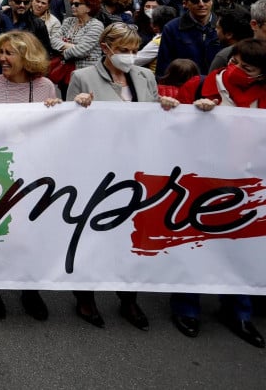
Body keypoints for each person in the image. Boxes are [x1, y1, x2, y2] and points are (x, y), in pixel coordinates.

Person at [159, 38, 266, 349]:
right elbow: (168, 124)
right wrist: (176, 108)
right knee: (194, 243)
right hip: (199, 181)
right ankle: (186, 307)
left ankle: (239, 311)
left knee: (241, 249)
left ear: (264, 73)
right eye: (236, 62)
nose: (238, 71)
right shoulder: (198, 84)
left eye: (248, 69)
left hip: (246, 185)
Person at [67, 23, 171, 330]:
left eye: (133, 50)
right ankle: (85, 298)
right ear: (105, 47)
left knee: (132, 235)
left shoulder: (145, 76)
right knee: (93, 233)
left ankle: (129, 299)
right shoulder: (82, 77)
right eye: (123, 50)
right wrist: (78, 106)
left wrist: (166, 108)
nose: (129, 56)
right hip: (97, 171)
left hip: (137, 169)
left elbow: (154, 119)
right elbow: (69, 125)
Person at [0, 31, 61, 321]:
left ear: (27, 56)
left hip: (35, 171)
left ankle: (30, 288)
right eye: (1, 52)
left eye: (9, 53)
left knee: (30, 231)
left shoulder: (46, 86)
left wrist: (58, 110)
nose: (2, 58)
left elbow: (59, 129)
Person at [156, 0, 221, 79]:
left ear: (211, 1)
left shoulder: (225, 26)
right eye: (195, 1)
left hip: (217, 87)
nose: (201, 4)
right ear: (185, 4)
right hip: (184, 86)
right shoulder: (172, 28)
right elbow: (164, 65)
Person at [52, 0, 105, 72]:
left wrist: (63, 52)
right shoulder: (69, 21)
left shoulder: (96, 25)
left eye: (77, 4)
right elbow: (53, 40)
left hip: (87, 72)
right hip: (66, 71)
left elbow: (81, 51)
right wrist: (73, 47)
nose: (73, 6)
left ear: (89, 8)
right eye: (71, 4)